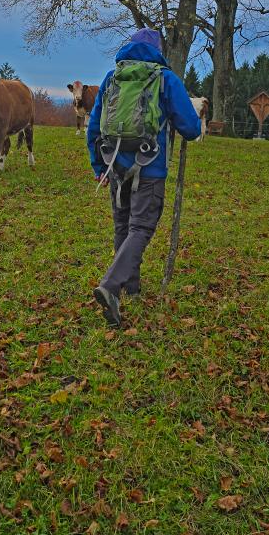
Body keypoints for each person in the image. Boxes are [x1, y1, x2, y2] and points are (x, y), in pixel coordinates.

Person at [87, 29, 201, 326]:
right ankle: (111, 286)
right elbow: (191, 127)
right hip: (149, 167)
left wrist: (98, 165)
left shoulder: (112, 78)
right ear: (157, 49)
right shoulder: (165, 79)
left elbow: (95, 126)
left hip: (115, 165)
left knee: (123, 225)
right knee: (141, 227)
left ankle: (131, 287)